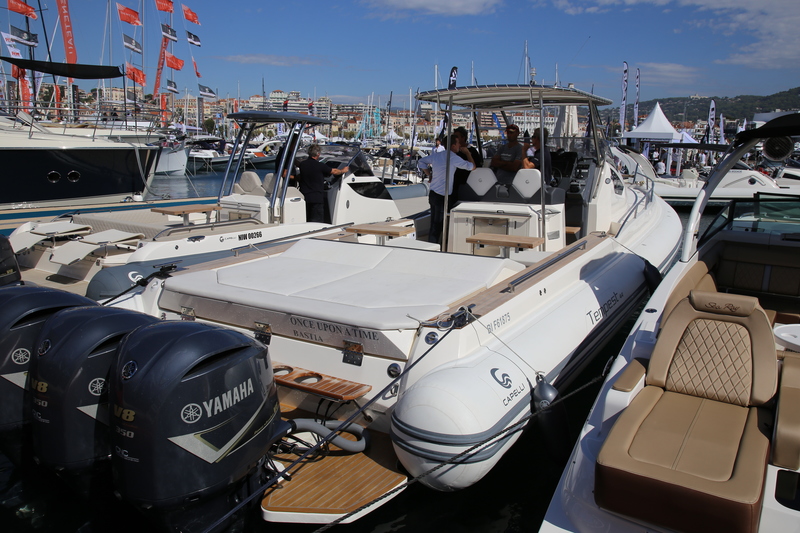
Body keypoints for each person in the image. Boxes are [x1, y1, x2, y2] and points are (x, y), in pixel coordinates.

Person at [417, 135, 475, 244]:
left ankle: (431, 247)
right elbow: (472, 167)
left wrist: (429, 174)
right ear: (453, 145)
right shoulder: (453, 157)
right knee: (438, 225)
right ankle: (434, 248)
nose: (460, 146)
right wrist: (468, 153)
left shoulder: (437, 156)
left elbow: (421, 162)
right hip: (442, 196)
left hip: (433, 193)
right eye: (458, 144)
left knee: (434, 224)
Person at [297, 144, 348, 223]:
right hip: (317, 197)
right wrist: (342, 171)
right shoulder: (320, 166)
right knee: (317, 221)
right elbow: (333, 171)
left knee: (307, 219)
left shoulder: (303, 165)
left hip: (305, 196)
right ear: (318, 154)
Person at [452, 126, 484, 207]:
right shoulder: (453, 151)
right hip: (454, 183)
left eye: (457, 137)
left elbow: (477, 167)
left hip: (467, 182)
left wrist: (467, 154)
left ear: (463, 138)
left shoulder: (472, 151)